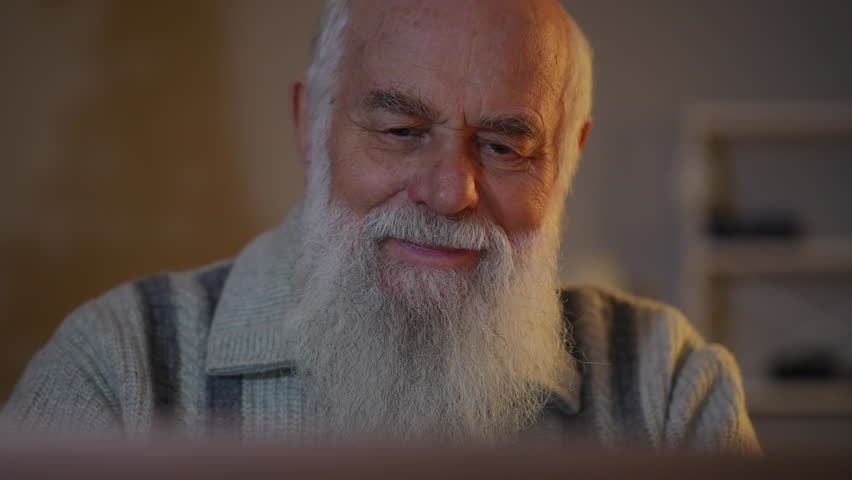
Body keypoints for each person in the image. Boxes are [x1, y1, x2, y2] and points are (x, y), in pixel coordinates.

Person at [3, 0, 759, 453]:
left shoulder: (669, 389)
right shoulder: (117, 370)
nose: (448, 190)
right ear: (311, 126)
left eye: (503, 146)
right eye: (400, 129)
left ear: (565, 162)